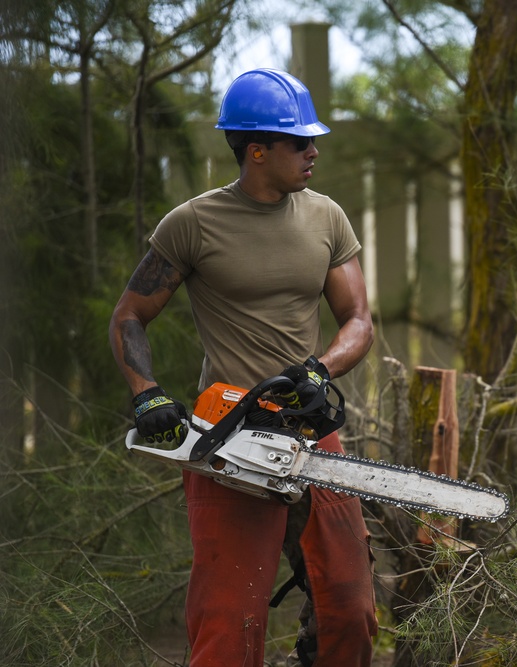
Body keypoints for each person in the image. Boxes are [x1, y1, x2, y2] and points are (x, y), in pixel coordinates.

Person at [108, 68, 377, 667]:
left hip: (309, 424)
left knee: (350, 607)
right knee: (228, 623)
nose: (314, 152)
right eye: (298, 142)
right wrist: (147, 391)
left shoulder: (325, 217)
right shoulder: (193, 224)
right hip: (227, 431)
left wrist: (319, 371)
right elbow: (129, 315)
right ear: (256, 150)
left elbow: (358, 320)